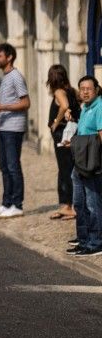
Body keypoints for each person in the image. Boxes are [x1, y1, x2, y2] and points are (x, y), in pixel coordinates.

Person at [0, 42, 29, 218]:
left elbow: (26, 103)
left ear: (9, 57)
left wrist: (1, 107)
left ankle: (17, 205)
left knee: (13, 166)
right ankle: (6, 202)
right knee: (4, 166)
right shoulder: (5, 77)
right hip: (4, 128)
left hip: (14, 129)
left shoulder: (16, 77)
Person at [68, 76, 102, 256]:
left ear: (96, 89)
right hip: (79, 162)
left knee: (92, 203)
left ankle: (96, 242)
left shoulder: (100, 106)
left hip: (92, 163)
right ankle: (83, 240)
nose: (85, 91)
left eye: (89, 88)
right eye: (82, 88)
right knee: (79, 203)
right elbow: (82, 133)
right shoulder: (85, 107)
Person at [46, 64, 80, 221]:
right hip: (72, 134)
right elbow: (74, 104)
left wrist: (56, 121)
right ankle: (66, 205)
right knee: (67, 169)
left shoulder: (59, 91)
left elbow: (65, 105)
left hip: (63, 135)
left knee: (65, 169)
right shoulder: (72, 91)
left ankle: (71, 206)